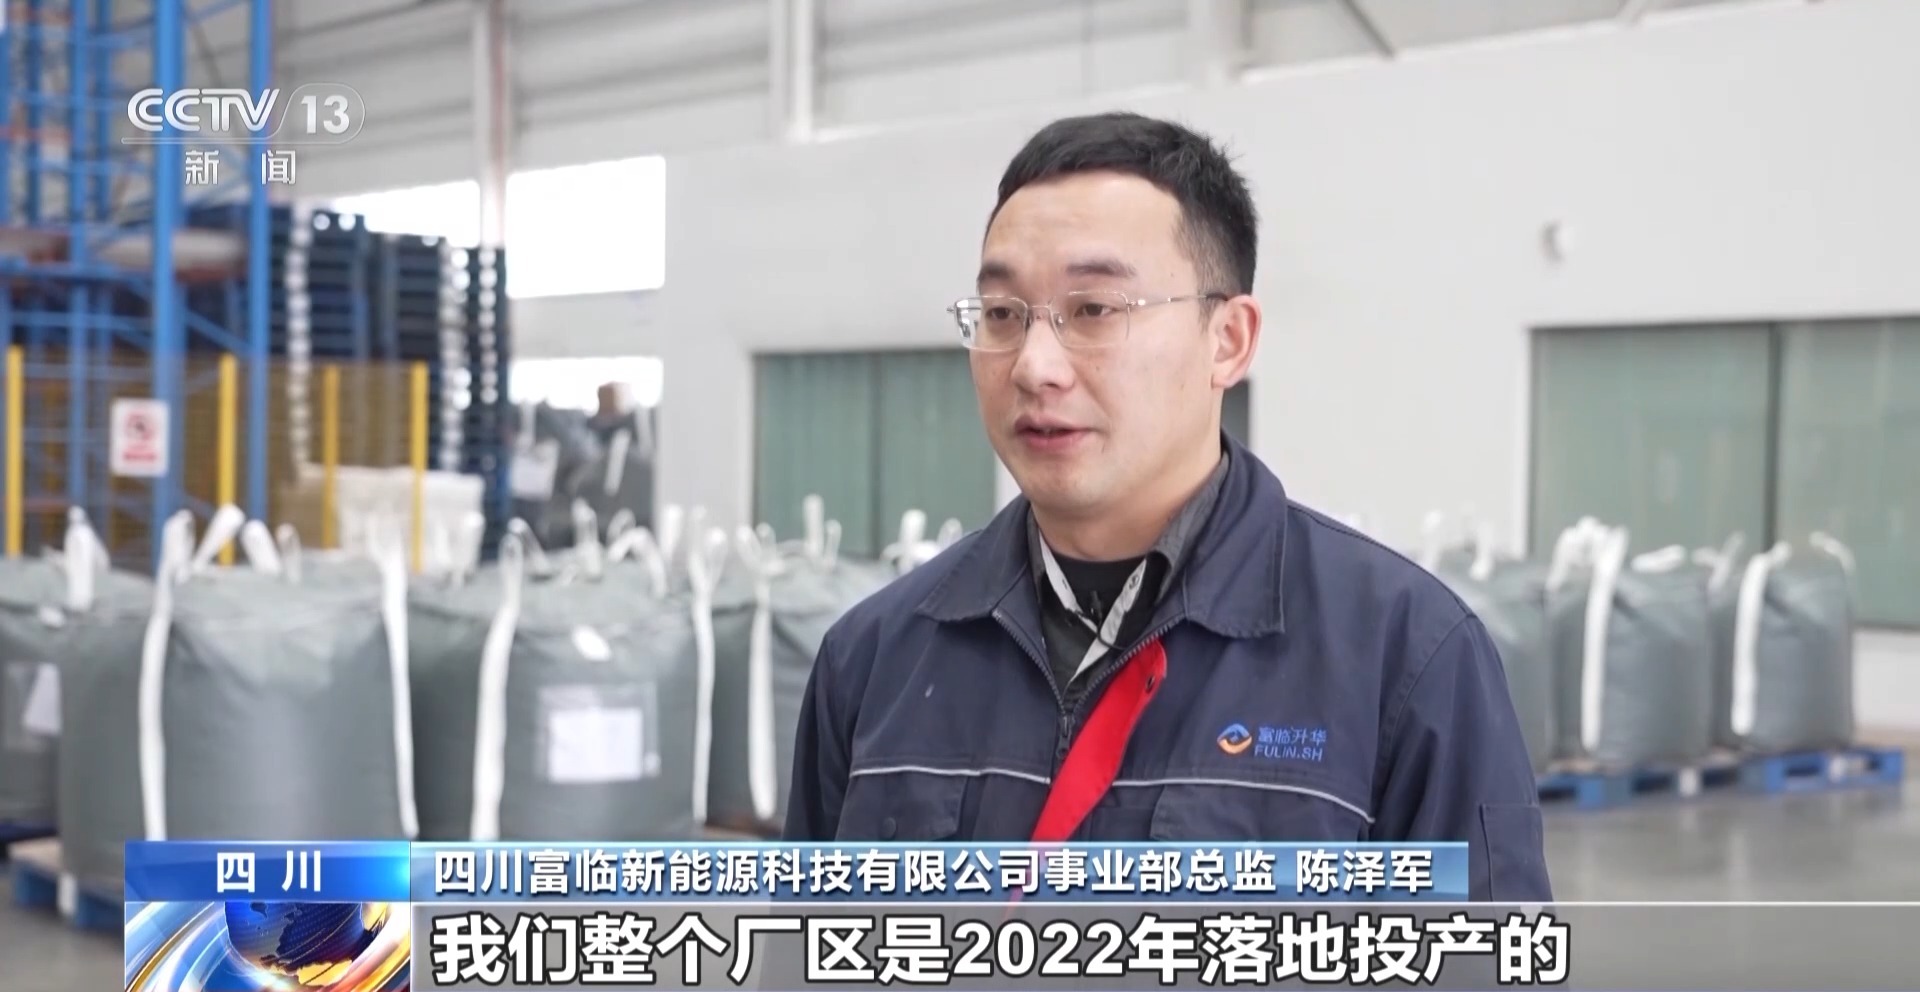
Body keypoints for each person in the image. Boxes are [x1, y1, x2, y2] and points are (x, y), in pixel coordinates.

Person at [783, 112, 1552, 902]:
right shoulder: (875, 659)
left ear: (1228, 340)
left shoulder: (1405, 657)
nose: (1034, 367)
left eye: (1094, 310)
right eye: (1004, 315)